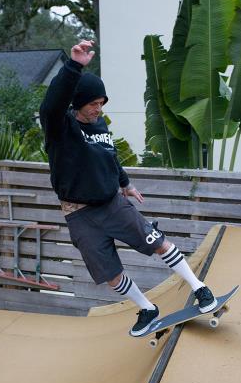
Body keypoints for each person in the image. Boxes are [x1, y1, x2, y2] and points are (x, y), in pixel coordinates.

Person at [40, 40, 217, 336]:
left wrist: (125, 184)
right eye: (93, 104)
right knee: (110, 274)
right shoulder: (60, 128)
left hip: (112, 204)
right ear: (79, 103)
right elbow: (51, 104)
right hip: (79, 215)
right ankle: (147, 308)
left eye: (101, 103)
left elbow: (110, 157)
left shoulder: (100, 126)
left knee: (157, 241)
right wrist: (73, 66)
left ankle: (199, 288)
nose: (98, 109)